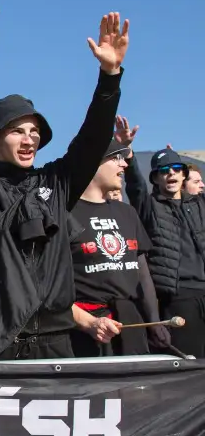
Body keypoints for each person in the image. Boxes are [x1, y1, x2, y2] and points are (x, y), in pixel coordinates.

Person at [0, 8, 129, 366]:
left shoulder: (55, 183)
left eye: (35, 132)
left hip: (57, 341)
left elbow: (91, 141)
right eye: (17, 131)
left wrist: (109, 76)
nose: (29, 139)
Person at [68, 138, 169, 356]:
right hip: (88, 331)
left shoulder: (127, 213)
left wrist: (154, 321)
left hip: (131, 323)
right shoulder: (64, 213)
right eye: (116, 158)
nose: (123, 165)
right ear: (91, 163)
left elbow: (143, 274)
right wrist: (87, 322)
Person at [121, 117, 205, 357]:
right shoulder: (149, 206)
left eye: (176, 169)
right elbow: (135, 185)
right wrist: (128, 152)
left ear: (184, 176)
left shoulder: (199, 204)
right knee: (190, 364)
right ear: (156, 179)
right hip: (178, 298)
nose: (170, 174)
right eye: (164, 171)